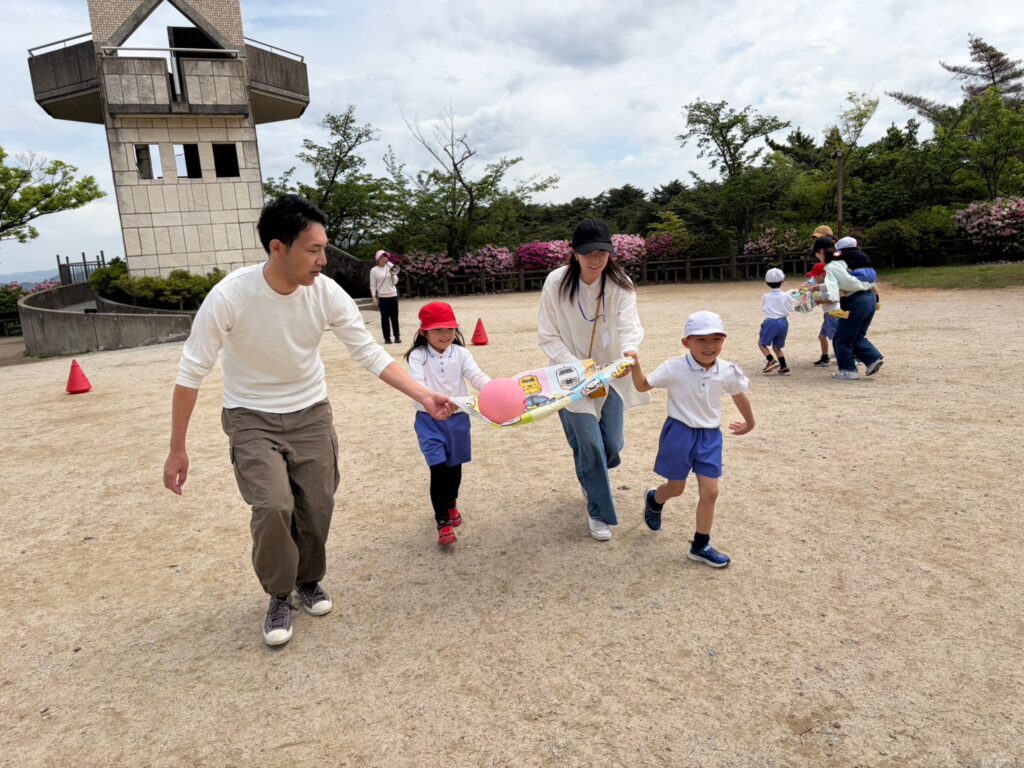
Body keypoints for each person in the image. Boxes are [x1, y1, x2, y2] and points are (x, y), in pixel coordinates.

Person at [162, 194, 450, 648]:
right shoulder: (231, 295)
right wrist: (177, 447)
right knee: (273, 505)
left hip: (311, 411)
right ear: (278, 248)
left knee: (317, 504)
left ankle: (308, 579)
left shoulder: (326, 292)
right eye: (313, 249)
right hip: (250, 416)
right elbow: (191, 371)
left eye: (325, 248)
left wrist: (424, 395)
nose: (323, 259)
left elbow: (368, 352)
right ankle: (279, 593)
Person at [537, 218, 648, 542]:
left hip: (610, 373)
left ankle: (590, 473)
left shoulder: (620, 284)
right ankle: (598, 511)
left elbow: (630, 326)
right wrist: (578, 368)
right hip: (570, 376)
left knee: (611, 446)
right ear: (575, 253)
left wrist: (628, 352)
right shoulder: (556, 282)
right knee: (590, 444)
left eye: (602, 252)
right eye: (588, 253)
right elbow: (548, 335)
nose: (596, 259)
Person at [627, 311, 755, 568]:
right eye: (701, 340)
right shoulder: (674, 367)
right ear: (686, 342)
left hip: (710, 436)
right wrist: (635, 363)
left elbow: (739, 394)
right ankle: (655, 499)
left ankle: (700, 545)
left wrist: (750, 422)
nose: (710, 346)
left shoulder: (727, 370)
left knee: (711, 492)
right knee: (676, 488)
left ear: (724, 340)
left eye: (716, 339)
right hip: (679, 433)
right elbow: (642, 386)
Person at [405, 301, 491, 547]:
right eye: (438, 329)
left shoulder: (461, 353)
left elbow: (476, 376)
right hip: (429, 420)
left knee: (454, 468)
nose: (445, 334)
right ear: (424, 332)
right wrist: (437, 400)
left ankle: (451, 503)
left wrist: (495, 388)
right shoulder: (418, 356)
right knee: (438, 468)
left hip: (458, 419)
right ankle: (442, 521)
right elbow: (417, 383)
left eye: (450, 328)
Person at [818, 243, 884, 380]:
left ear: (822, 252)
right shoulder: (855, 262)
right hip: (869, 298)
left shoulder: (834, 265)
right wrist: (817, 287)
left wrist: (824, 298)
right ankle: (873, 359)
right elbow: (842, 281)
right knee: (857, 335)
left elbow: (844, 284)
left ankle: (848, 370)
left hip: (856, 301)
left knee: (842, 337)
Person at [805, 236, 841, 366]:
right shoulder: (830, 272)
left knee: (837, 338)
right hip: (829, 314)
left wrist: (816, 299)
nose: (813, 279)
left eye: (814, 277)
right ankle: (825, 357)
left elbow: (833, 298)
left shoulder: (830, 271)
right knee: (822, 336)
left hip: (834, 313)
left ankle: (847, 358)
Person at [757, 267, 796, 376]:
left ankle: (771, 360)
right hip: (783, 322)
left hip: (770, 321)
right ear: (782, 281)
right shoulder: (786, 296)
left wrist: (764, 322)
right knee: (777, 347)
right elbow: (791, 309)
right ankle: (784, 367)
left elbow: (767, 310)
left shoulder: (766, 296)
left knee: (761, 343)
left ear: (766, 282)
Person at [370, 249, 401, 344]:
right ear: (378, 259)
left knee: (395, 317)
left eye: (385, 257)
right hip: (382, 297)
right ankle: (387, 338)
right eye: (382, 257)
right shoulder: (374, 270)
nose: (384, 259)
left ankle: (397, 336)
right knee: (384, 318)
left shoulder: (390, 267)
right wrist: (374, 297)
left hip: (393, 295)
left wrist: (393, 274)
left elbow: (395, 282)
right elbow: (372, 285)